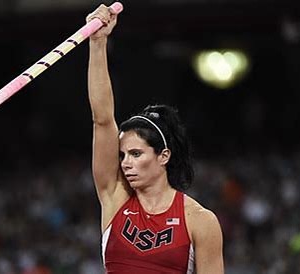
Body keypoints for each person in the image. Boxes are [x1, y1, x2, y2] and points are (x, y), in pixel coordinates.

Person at [86, 4, 224, 273]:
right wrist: (98, 43)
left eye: (136, 154)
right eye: (123, 155)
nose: (125, 163)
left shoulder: (199, 221)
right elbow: (102, 119)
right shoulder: (114, 198)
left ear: (163, 156)